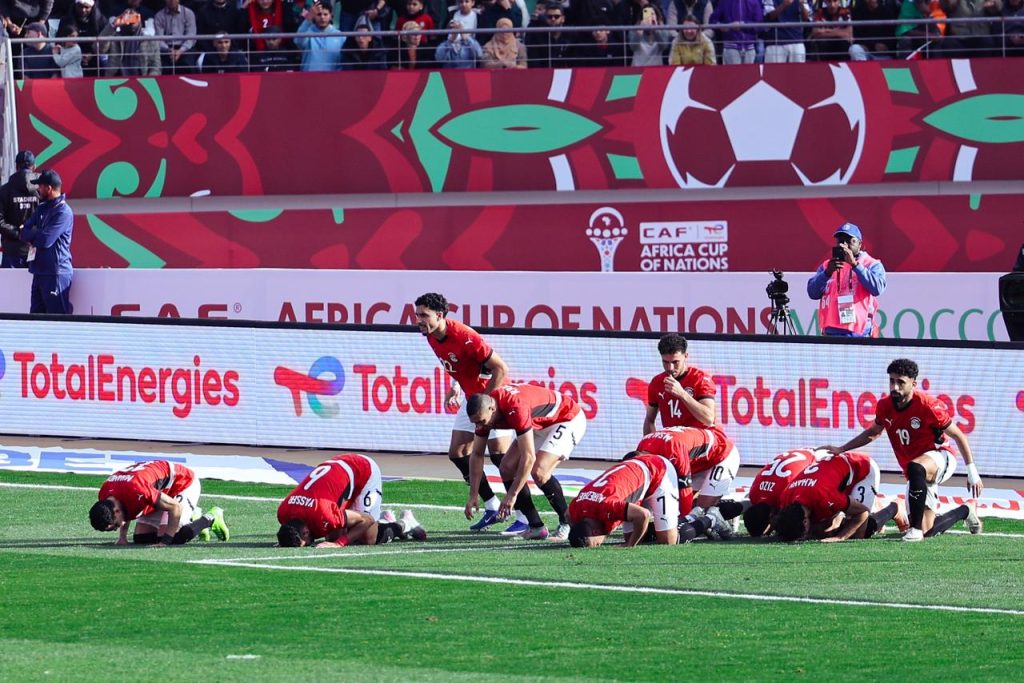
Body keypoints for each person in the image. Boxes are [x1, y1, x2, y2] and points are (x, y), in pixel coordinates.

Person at [824, 358, 983, 542]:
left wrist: (972, 471)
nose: (895, 387)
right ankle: (966, 510)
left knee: (916, 468)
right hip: (916, 472)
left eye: (901, 382)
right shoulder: (884, 406)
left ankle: (914, 530)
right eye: (892, 381)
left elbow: (958, 435)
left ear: (913, 383)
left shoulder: (928, 405)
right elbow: (873, 433)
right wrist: (842, 448)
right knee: (928, 531)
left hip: (942, 456)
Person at [413, 292, 524, 534]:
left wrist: (487, 403)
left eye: (424, 315)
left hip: (491, 399)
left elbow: (501, 369)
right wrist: (455, 386)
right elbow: (462, 366)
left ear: (439, 315)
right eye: (417, 315)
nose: (418, 320)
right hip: (471, 397)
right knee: (458, 452)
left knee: (501, 458)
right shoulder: (431, 335)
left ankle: (525, 517)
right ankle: (491, 505)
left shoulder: (465, 336)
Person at [464, 383, 587, 540]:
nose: (479, 426)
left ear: (492, 409)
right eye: (475, 423)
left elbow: (528, 458)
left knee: (539, 471)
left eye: (481, 421)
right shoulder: (485, 413)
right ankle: (536, 527)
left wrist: (511, 495)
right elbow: (477, 454)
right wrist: (473, 494)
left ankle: (568, 522)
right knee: (506, 468)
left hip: (566, 418)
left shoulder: (515, 407)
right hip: (537, 422)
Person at [276, 453, 425, 547]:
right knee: (333, 535)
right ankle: (383, 521)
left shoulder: (323, 515)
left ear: (305, 532)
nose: (308, 545)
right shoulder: (283, 513)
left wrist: (340, 543)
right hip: (339, 472)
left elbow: (366, 520)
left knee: (368, 539)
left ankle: (405, 523)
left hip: (363, 470)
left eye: (305, 544)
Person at [89, 460, 229, 546]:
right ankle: (192, 516)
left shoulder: (138, 491)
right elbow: (125, 507)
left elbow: (175, 507)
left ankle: (211, 517)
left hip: (182, 484)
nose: (116, 528)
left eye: (115, 525)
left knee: (173, 537)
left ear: (116, 511)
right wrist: (122, 537)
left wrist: (165, 541)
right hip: (157, 492)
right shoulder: (106, 496)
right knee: (141, 539)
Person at [633, 426, 737, 539]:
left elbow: (684, 491)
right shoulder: (643, 448)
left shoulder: (673, 449)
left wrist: (681, 523)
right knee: (682, 509)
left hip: (722, 455)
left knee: (700, 511)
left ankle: (715, 516)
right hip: (696, 460)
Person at [568, 453, 680, 548]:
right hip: (636, 474)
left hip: (658, 470)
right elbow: (567, 515)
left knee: (667, 541)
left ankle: (688, 527)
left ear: (595, 532)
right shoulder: (576, 509)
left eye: (597, 544)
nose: (600, 545)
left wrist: (630, 545)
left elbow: (643, 515)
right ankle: (657, 527)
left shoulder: (608, 506)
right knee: (632, 535)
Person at [774, 452, 889, 542]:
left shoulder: (824, 497)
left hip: (863, 468)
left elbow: (862, 512)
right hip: (833, 479)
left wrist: (840, 537)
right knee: (821, 531)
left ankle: (893, 508)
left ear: (805, 521)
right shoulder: (785, 498)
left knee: (858, 533)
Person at [806, 222, 886, 337]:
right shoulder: (827, 266)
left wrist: (855, 265)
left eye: (850, 241)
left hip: (859, 333)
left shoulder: (871, 264)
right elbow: (812, 293)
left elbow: (877, 288)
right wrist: (827, 273)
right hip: (831, 332)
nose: (844, 245)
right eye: (840, 241)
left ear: (860, 244)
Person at [19, 169, 74, 314]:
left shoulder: (63, 212)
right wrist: (36, 234)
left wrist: (33, 234)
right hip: (39, 271)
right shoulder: (41, 208)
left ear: (49, 188)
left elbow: (46, 240)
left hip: (56, 273)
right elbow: (23, 232)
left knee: (56, 321)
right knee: (35, 320)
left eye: (40, 186)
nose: (38, 189)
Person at [742, 447, 823, 537]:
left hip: (817, 457)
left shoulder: (784, 496)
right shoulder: (754, 494)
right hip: (800, 452)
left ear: (771, 516)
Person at [0, 150, 38, 269]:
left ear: (16, 167)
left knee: (10, 282)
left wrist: (18, 233)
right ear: (34, 167)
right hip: (35, 249)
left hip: (11, 251)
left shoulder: (4, 190)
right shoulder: (42, 190)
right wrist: (31, 234)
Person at [99, 9, 161, 75]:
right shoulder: (114, 38)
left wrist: (149, 79)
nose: (131, 20)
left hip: (141, 78)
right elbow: (98, 48)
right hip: (117, 77)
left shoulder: (150, 41)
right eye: (128, 18)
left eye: (134, 18)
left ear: (139, 20)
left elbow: (156, 66)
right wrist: (114, 24)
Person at [295, 0, 345, 71]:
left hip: (332, 77)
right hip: (309, 76)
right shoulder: (307, 32)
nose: (322, 17)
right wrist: (309, 18)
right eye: (319, 14)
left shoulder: (340, 36)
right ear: (314, 17)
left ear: (331, 16)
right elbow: (297, 41)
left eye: (325, 14)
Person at [154, 0, 197, 73]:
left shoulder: (189, 13)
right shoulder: (159, 16)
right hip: (166, 49)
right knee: (162, 67)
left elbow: (191, 37)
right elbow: (159, 39)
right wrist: (169, 50)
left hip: (185, 48)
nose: (172, 1)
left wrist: (180, 51)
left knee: (188, 65)